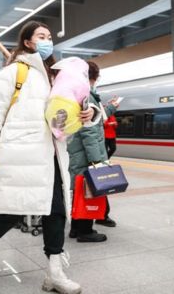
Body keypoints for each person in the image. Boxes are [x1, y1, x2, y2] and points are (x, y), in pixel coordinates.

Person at [0, 21, 95, 293]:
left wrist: (89, 114)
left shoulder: (58, 74)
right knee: (11, 211)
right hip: (22, 152)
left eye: (50, 36)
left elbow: (71, 110)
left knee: (56, 211)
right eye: (41, 36)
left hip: (53, 154)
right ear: (27, 42)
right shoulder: (14, 72)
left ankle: (55, 273)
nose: (48, 40)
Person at [67, 61, 119, 242]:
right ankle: (84, 231)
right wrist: (97, 162)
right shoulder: (86, 95)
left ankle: (75, 228)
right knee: (87, 191)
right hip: (87, 154)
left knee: (79, 191)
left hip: (78, 152)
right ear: (94, 77)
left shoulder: (77, 93)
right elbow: (89, 130)